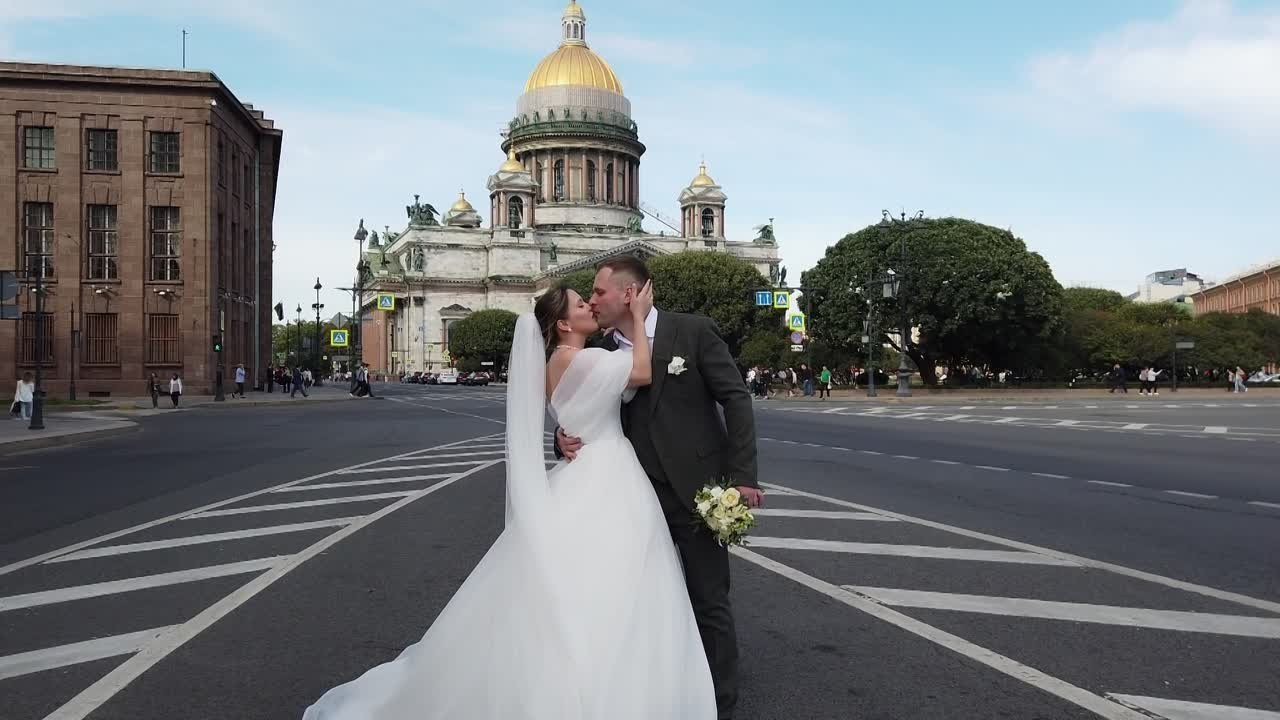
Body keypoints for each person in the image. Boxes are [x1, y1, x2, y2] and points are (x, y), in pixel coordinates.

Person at [303, 279, 719, 720]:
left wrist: (562, 434)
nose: (590, 307)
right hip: (610, 473)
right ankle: (615, 679)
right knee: (622, 575)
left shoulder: (553, 365)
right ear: (563, 322)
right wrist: (638, 317)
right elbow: (641, 374)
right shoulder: (589, 358)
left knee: (577, 578)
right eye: (581, 304)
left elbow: (583, 407)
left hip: (580, 471)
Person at [556, 256, 761, 720]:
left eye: (600, 292)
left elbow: (735, 398)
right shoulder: (601, 349)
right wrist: (559, 436)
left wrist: (743, 476)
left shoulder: (692, 330)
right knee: (641, 601)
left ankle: (719, 703)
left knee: (709, 600)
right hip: (630, 499)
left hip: (696, 493)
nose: (592, 300)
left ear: (629, 294)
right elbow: (580, 403)